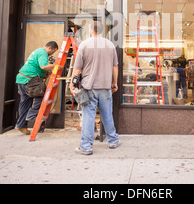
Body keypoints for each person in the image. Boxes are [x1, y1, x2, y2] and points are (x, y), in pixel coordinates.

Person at [70, 21, 120, 155]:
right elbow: (115, 66)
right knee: (107, 114)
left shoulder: (84, 45)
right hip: (105, 86)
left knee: (89, 116)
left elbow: (77, 68)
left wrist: (71, 84)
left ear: (91, 30)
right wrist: (114, 82)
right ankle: (113, 141)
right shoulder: (110, 45)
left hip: (89, 86)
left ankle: (86, 147)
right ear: (102, 30)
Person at [15, 41, 58, 135]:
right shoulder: (43, 52)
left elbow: (39, 67)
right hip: (29, 80)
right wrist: (56, 65)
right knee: (42, 95)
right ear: (50, 48)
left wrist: (46, 73)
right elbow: (43, 66)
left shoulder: (37, 51)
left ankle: (21, 125)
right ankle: (32, 115)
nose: (52, 54)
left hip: (22, 78)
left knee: (25, 103)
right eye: (53, 52)